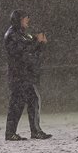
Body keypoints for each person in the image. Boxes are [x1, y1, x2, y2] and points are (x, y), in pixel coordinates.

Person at [4, 9, 50, 140]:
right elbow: (24, 52)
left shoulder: (21, 34)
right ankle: (11, 133)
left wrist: (40, 43)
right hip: (18, 75)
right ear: (18, 20)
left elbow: (32, 50)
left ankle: (34, 131)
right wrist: (37, 42)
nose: (27, 20)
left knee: (32, 100)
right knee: (17, 104)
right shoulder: (12, 35)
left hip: (24, 75)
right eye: (24, 18)